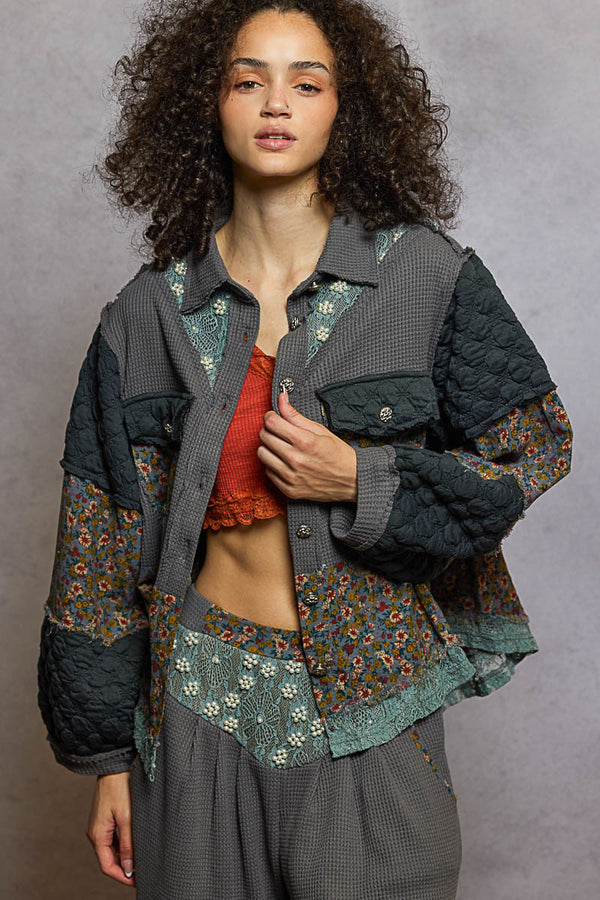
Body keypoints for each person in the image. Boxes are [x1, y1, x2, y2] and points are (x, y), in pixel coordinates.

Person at [36, 1, 573, 897]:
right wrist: (105, 761)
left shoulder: (427, 276)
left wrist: (364, 478)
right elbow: (96, 547)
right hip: (196, 704)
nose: (276, 103)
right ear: (206, 104)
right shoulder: (145, 314)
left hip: (373, 705)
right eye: (247, 80)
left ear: (345, 108)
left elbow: (535, 449)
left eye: (307, 82)